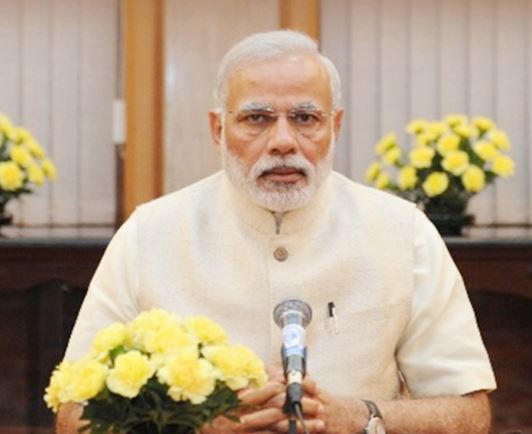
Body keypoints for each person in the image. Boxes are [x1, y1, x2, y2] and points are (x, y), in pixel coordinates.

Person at [57, 30, 496, 433]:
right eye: (257, 118)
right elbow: (73, 415)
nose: (283, 141)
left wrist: (360, 418)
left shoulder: (402, 232)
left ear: (335, 127)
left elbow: (470, 414)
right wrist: (192, 428)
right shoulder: (149, 234)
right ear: (218, 129)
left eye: (305, 118)